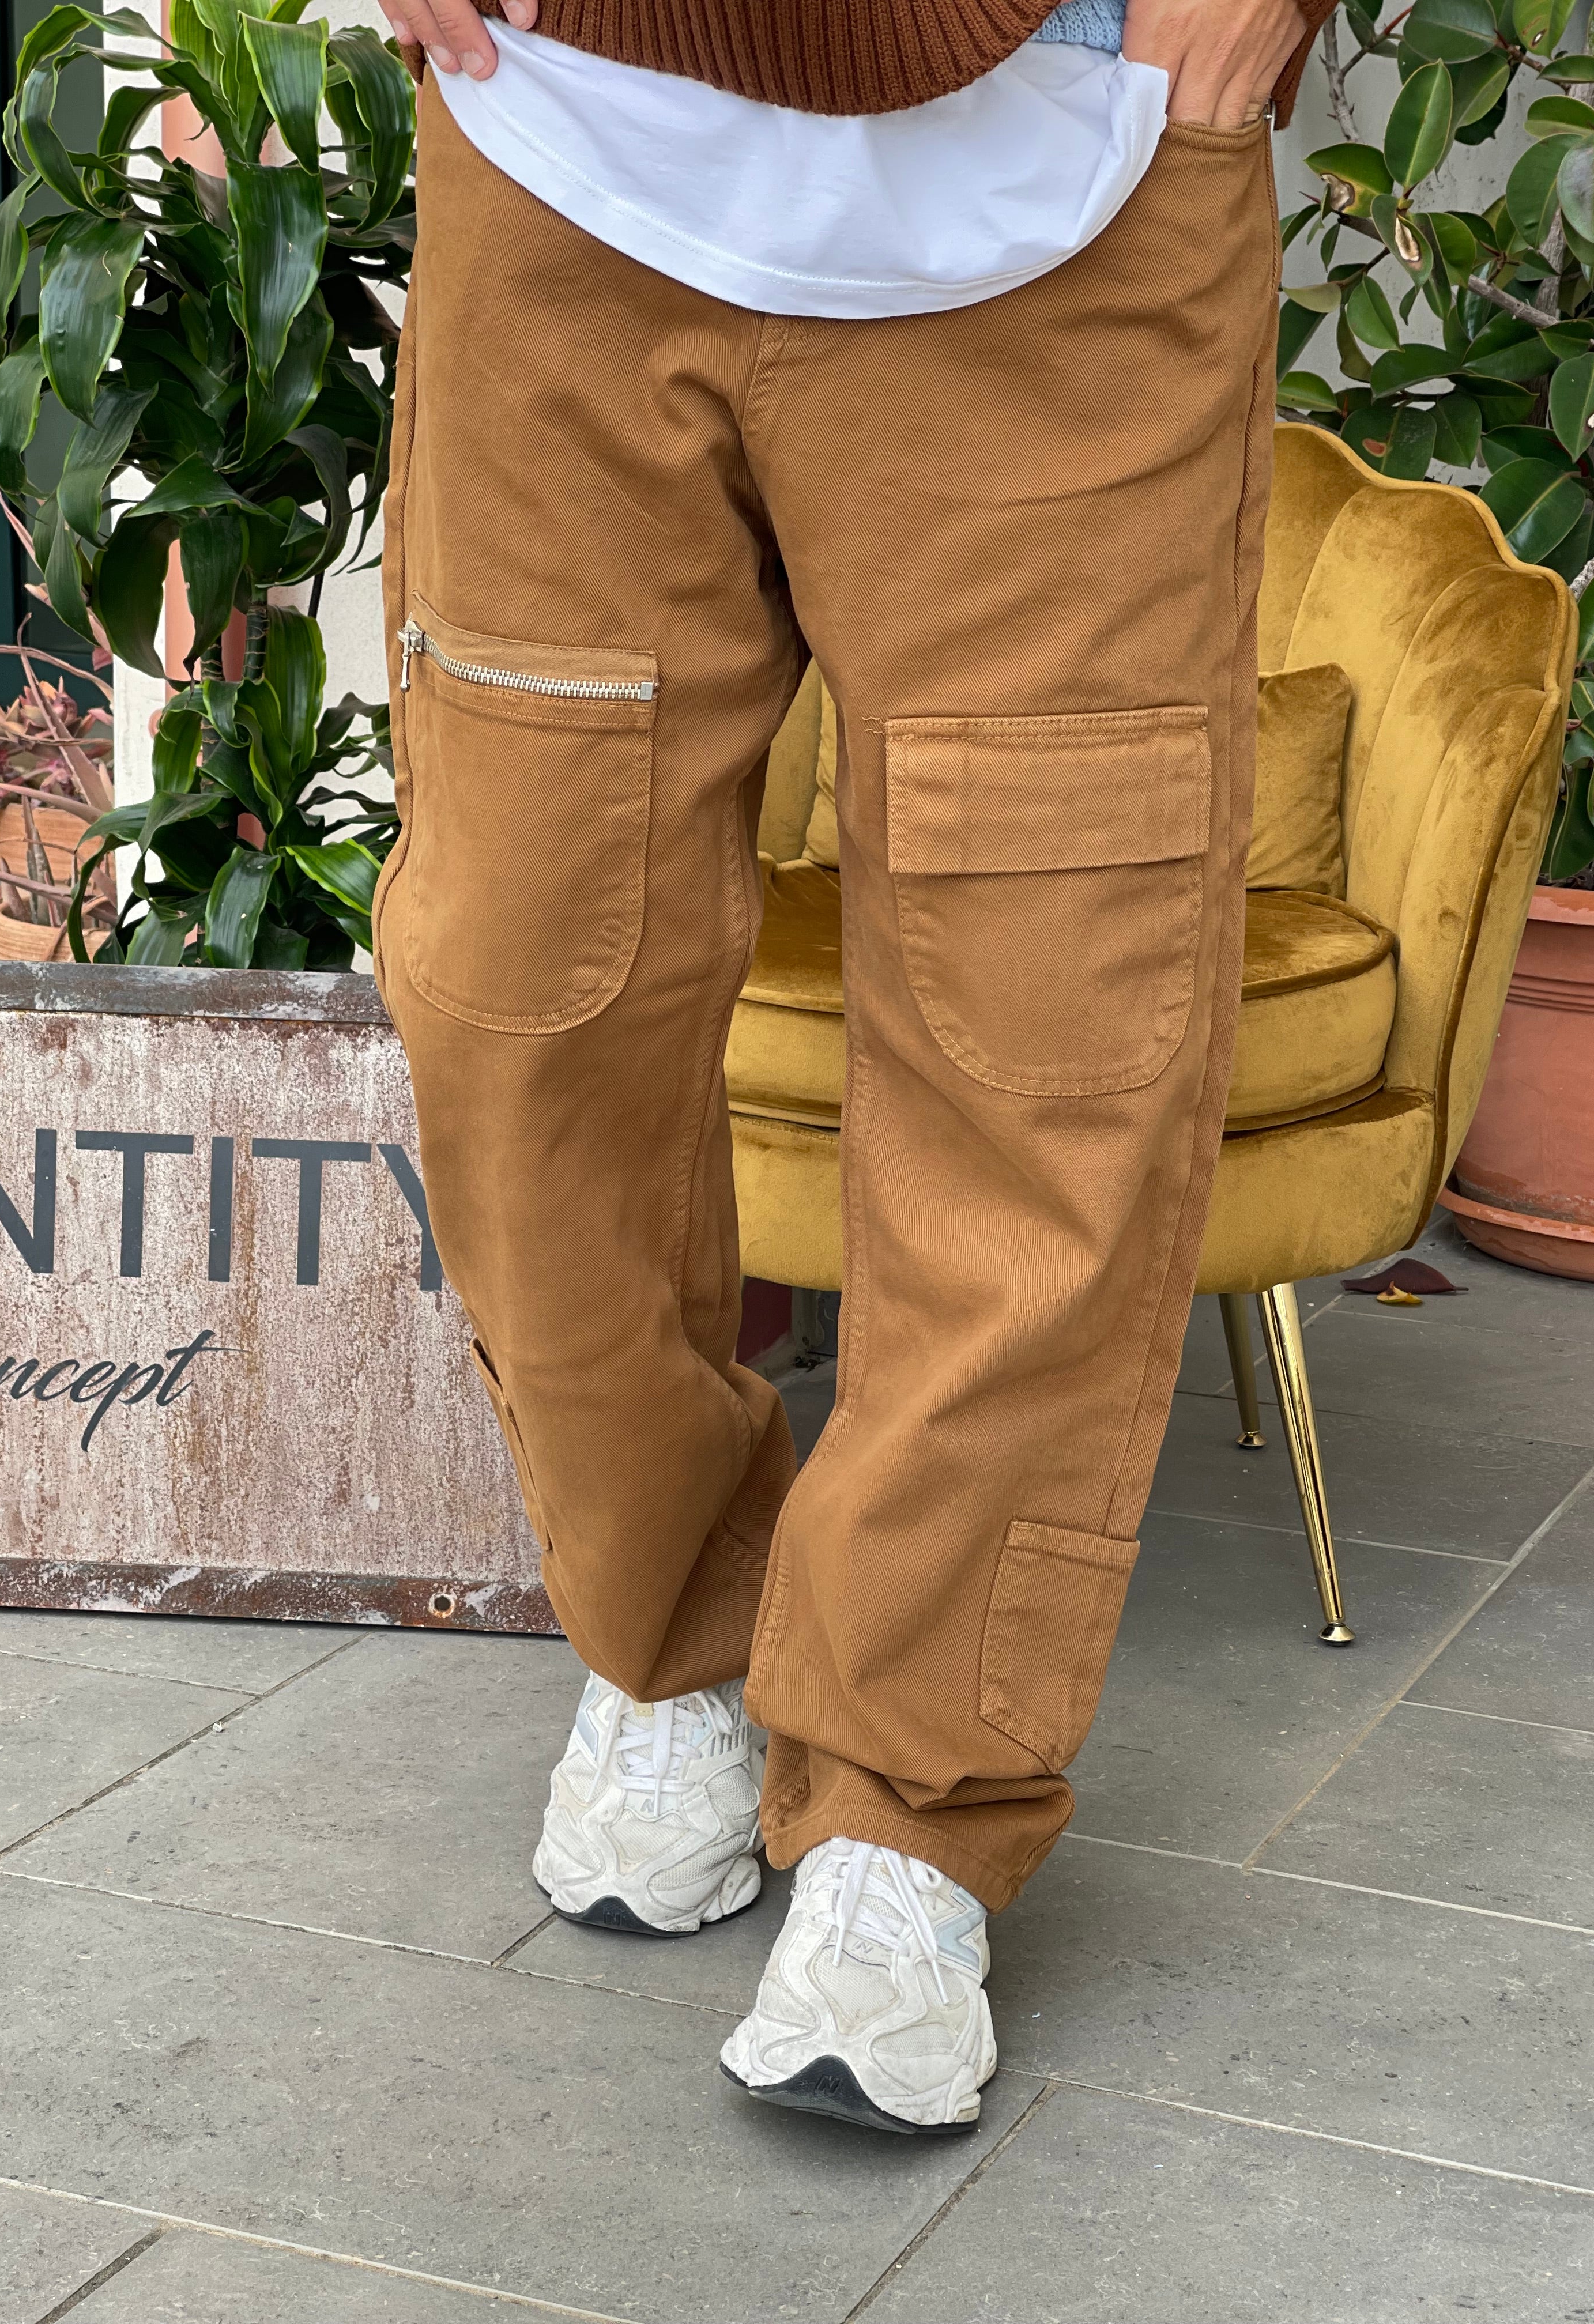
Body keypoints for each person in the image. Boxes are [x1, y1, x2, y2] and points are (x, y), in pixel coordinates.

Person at [371, 0, 1331, 2136]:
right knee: (518, 987)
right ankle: (669, 1633)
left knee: (1047, 1044)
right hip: (566, 158)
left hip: (1073, 187)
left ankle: (914, 1796)